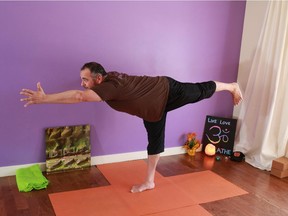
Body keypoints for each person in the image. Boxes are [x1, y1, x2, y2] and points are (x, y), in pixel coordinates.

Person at [20, 62, 243, 193]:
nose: (82, 84)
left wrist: (45, 98)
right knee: (154, 142)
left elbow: (79, 97)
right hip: (152, 109)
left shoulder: (108, 87)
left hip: (166, 90)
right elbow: (82, 93)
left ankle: (231, 86)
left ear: (98, 79)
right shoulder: (108, 81)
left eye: (85, 80)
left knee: (199, 91)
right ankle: (150, 181)